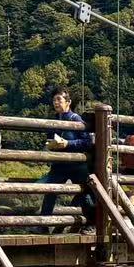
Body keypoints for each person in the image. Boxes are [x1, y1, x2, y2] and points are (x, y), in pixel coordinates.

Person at [39, 88, 93, 220]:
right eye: (54, 100)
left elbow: (87, 142)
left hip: (76, 165)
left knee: (85, 192)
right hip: (59, 164)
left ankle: (90, 223)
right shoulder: (54, 120)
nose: (56, 103)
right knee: (50, 192)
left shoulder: (76, 119)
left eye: (59, 99)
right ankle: (43, 224)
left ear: (68, 102)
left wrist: (68, 143)